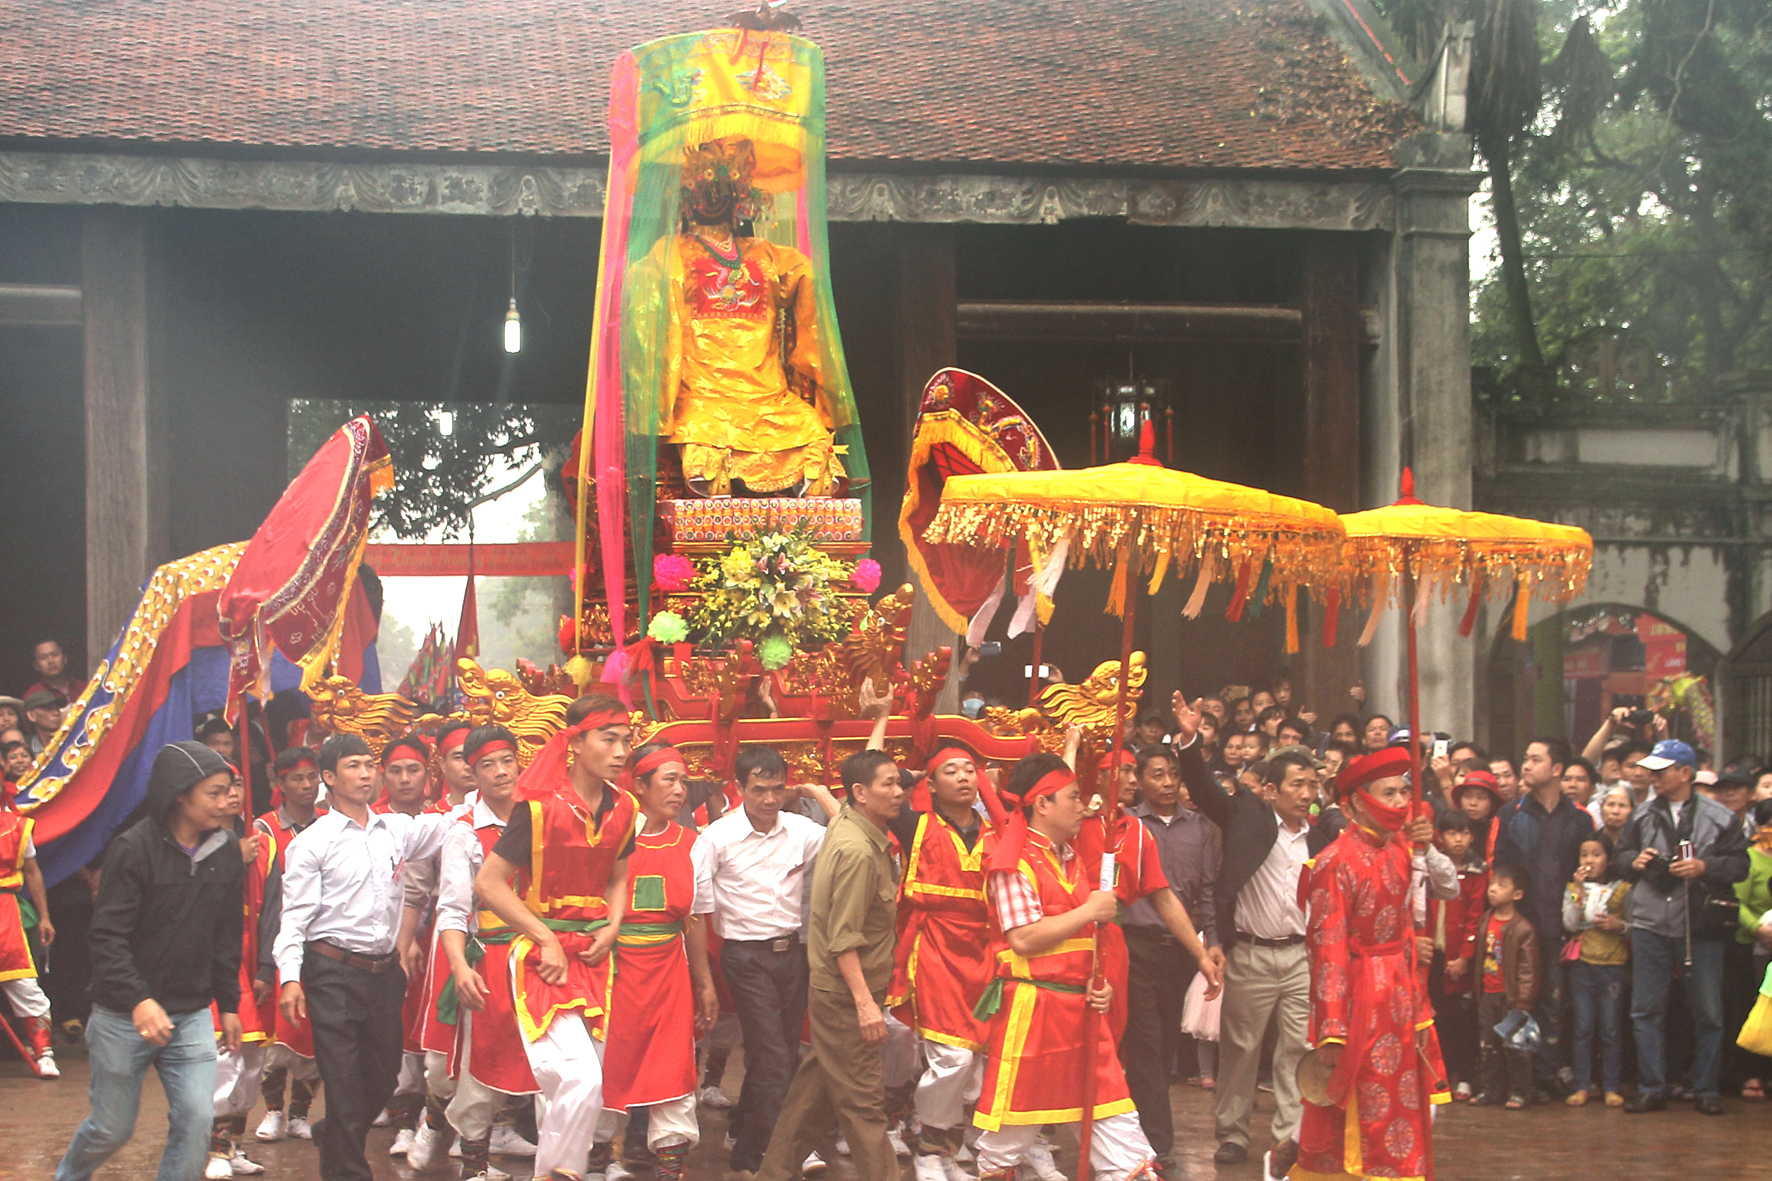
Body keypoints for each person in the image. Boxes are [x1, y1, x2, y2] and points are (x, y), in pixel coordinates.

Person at [56, 742, 244, 1181]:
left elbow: (226, 934)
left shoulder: (227, 850)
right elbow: (106, 938)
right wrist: (139, 1000)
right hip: (122, 1015)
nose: (225, 802)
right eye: (214, 793)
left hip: (192, 1012)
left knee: (197, 1121)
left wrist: (229, 1003)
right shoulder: (133, 849)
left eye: (228, 791)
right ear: (181, 795)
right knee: (112, 1128)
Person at [474, 695, 638, 1181]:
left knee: (590, 1084)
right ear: (576, 741)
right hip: (543, 958)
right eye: (609, 739)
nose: (621, 751)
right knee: (578, 1078)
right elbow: (487, 884)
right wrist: (543, 937)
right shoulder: (539, 808)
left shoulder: (625, 806)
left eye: (626, 740)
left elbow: (618, 876)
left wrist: (612, 925)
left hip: (596, 956)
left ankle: (556, 1172)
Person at [970, 754, 1156, 1181]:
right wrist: (1090, 909)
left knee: (1128, 1152)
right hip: (1033, 1015)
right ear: (1042, 804)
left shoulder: (1070, 856)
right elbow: (1024, 938)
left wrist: (1098, 983)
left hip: (1083, 1017)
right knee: (1003, 1151)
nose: (1084, 806)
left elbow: (1085, 940)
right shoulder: (1011, 860)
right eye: (1074, 797)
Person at [273, 734, 448, 1181]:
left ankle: (333, 1132)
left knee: (386, 1074)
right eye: (354, 766)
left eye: (370, 765)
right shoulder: (312, 842)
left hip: (384, 972)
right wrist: (290, 977)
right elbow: (293, 917)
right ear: (329, 778)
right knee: (344, 1082)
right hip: (331, 971)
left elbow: (454, 825)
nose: (366, 774)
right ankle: (348, 1171)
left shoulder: (397, 829)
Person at [1183, 716, 1333, 1170]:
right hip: (1250, 951)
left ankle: (1290, 1137)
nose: (1307, 794)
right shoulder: (1245, 814)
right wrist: (1191, 742)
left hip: (1301, 954)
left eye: (1312, 785)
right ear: (1271, 790)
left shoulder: (1323, 832)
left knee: (1298, 1049)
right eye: (1297, 785)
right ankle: (1233, 1132)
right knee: (1241, 1048)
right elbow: (1206, 791)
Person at [1293, 747, 1448, 1180]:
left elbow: (1446, 888)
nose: (1399, 802)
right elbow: (1328, 950)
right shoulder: (1333, 863)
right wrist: (1332, 1028)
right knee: (1360, 1110)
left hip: (1403, 993)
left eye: (1403, 792)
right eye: (1389, 793)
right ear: (1356, 801)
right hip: (1361, 998)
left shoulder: (1403, 848)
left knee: (1406, 1101)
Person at [759, 749, 905, 1181]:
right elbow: (844, 941)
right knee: (863, 1104)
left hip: (838, 991)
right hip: (846, 997)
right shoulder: (858, 852)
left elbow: (835, 802)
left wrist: (818, 790)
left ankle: (774, 1173)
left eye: (900, 783)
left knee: (813, 1096)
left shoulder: (848, 821)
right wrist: (865, 1005)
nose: (898, 793)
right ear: (861, 793)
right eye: (888, 785)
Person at [691, 745, 826, 1176]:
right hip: (744, 957)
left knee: (781, 1052)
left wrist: (820, 792)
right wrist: (704, 981)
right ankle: (760, 1156)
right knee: (775, 1059)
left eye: (777, 789)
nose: (769, 799)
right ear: (740, 788)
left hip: (792, 954)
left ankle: (743, 1130)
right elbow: (694, 907)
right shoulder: (716, 837)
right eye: (759, 789)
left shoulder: (802, 829)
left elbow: (852, 832)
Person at [592, 742, 720, 1181]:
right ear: (639, 786)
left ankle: (670, 1171)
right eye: (670, 780)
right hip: (611, 973)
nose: (680, 790)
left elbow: (697, 918)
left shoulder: (692, 844)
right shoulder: (608, 839)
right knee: (607, 1065)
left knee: (673, 1071)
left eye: (684, 780)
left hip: (669, 976)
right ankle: (598, 1163)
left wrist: (704, 982)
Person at [1613, 739, 1750, 1115]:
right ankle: (1652, 1086)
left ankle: (1706, 1088)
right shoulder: (1640, 815)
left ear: (1685, 773)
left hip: (1700, 922)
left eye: (1661, 771)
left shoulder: (1720, 816)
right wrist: (1634, 861)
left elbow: (1740, 865)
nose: (1653, 777)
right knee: (1645, 1009)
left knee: (1708, 1011)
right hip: (1650, 920)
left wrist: (1705, 868)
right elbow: (1619, 858)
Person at [884, 744, 996, 1181]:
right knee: (953, 1057)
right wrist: (908, 771)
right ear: (931, 785)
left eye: (970, 770)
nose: (965, 777)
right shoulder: (917, 825)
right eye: (951, 771)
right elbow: (876, 774)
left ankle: (944, 1149)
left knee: (974, 1061)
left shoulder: (996, 831)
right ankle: (929, 1149)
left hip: (984, 953)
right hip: (933, 948)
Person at [433, 725, 536, 1181]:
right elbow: (452, 910)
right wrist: (459, 966)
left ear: (520, 762)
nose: (500, 773)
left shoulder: (541, 814)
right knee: (481, 1064)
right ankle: (476, 1169)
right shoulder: (463, 831)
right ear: (472, 774)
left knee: (556, 1064)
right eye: (486, 766)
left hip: (543, 957)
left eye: (507, 761)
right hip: (491, 957)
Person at [1119, 738, 1224, 1166]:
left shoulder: (1199, 829)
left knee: (1163, 1045)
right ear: (1140, 780)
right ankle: (1158, 1144)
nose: (1167, 783)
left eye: (1173, 775)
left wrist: (1211, 942)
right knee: (1143, 1041)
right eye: (1157, 775)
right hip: (1134, 944)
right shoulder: (1125, 823)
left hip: (1181, 949)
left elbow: (1207, 892)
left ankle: (1142, 1127)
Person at [1493, 736, 1593, 1094]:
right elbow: (1499, 864)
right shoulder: (1510, 814)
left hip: (1558, 926)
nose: (1526, 765)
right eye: (1525, 757)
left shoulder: (1580, 820)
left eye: (1535, 759)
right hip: (1517, 927)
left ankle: (1549, 1074)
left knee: (1553, 1001)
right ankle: (1516, 1077)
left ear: (1557, 769)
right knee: (1515, 999)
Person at [206, 772, 277, 1178]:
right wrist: (233, 857)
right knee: (224, 1056)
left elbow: (272, 910)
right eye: (220, 789)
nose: (232, 796)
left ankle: (232, 1145)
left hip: (254, 958)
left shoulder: (263, 846)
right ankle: (214, 1149)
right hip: (218, 958)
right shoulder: (192, 843)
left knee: (253, 1059)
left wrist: (267, 965)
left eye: (237, 787)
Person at [255, 747, 324, 1143]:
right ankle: (273, 1111)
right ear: (279, 784)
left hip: (322, 943)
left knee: (312, 1035)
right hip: (280, 939)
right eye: (295, 779)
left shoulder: (330, 825)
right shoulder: (264, 830)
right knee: (277, 1034)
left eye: (311, 777)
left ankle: (300, 1113)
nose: (304, 785)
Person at [1562, 832, 1630, 1107]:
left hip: (1613, 965)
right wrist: (1578, 891)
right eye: (1584, 854)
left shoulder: (1623, 889)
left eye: (1596, 854)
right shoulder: (1572, 887)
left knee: (1611, 1028)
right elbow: (1569, 923)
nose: (1589, 860)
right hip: (1582, 964)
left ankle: (1611, 1086)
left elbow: (1635, 925)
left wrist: (1620, 926)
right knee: (1583, 1026)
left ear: (1609, 859)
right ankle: (1582, 1085)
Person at [0, 772, 56, 1077]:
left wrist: (44, 915)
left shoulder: (16, 826)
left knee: (23, 984)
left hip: (6, 912)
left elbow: (33, 873)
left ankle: (44, 1051)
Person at [1426, 810, 1484, 1100]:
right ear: (1441, 837)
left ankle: (1465, 1076)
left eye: (1463, 833)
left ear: (1472, 837)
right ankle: (1441, 1074)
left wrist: (1465, 956)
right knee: (1439, 1016)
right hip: (1433, 950)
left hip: (1460, 953)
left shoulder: (1477, 872)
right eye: (1451, 833)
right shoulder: (1427, 866)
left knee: (1464, 1020)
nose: (1458, 839)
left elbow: (1475, 918)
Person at [1473, 862, 1538, 1109]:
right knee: (1488, 1045)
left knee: (1515, 1046)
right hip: (1487, 993)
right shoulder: (1484, 922)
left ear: (1517, 894)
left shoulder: (1522, 928)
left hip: (1510, 996)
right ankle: (1492, 1091)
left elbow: (1528, 968)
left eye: (1502, 886)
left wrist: (1523, 999)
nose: (1493, 890)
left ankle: (1521, 1091)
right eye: (1492, 884)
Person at [1733, 799, 1772, 1100]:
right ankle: (1753, 1073)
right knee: (1758, 1012)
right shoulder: (1749, 859)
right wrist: (1758, 929)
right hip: (1755, 947)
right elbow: (1737, 903)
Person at [25, 638, 85, 703]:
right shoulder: (33, 695)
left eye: (54, 654)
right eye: (43, 657)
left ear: (64, 659)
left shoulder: (84, 688)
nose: (50, 661)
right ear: (36, 666)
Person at [22, 688, 67, 756]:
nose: (56, 713)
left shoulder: (70, 741)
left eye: (57, 708)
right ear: (31, 715)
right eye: (48, 709)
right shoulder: (26, 749)